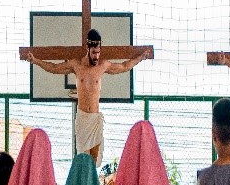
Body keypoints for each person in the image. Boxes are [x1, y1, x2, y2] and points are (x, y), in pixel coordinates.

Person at [27, 29, 151, 167]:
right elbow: (54, 68)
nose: (96, 56)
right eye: (94, 53)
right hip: (83, 119)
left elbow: (124, 66)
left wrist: (141, 57)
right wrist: (36, 61)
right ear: (87, 48)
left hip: (95, 119)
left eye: (98, 53)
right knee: (84, 162)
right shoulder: (76, 65)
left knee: (94, 162)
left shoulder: (103, 66)